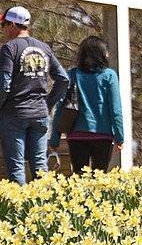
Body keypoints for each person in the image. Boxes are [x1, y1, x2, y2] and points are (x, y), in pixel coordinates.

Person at [0, 6, 69, 185]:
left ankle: (21, 207)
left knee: (16, 166)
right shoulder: (44, 47)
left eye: (3, 24)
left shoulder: (9, 48)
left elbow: (4, 83)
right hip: (40, 115)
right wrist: (47, 104)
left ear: (12, 24)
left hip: (14, 113)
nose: (2, 29)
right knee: (40, 164)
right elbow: (63, 79)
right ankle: (42, 206)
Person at [49, 36, 124, 173]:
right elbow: (115, 109)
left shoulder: (72, 74)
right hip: (103, 135)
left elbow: (61, 107)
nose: (108, 55)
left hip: (76, 135)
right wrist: (119, 137)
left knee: (79, 177)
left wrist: (55, 139)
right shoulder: (109, 75)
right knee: (100, 179)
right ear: (100, 54)